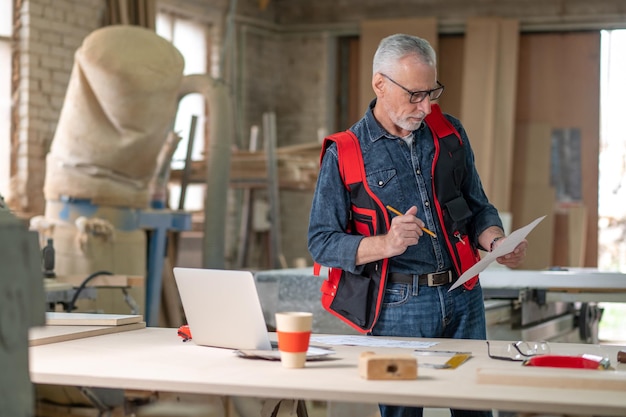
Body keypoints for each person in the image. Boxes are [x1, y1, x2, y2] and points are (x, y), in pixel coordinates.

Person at [307, 33, 528, 417]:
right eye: (415, 95)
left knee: (475, 407)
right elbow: (321, 242)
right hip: (398, 307)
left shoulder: (450, 133)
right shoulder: (345, 152)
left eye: (432, 93)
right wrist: (385, 244)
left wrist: (494, 240)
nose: (426, 107)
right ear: (380, 83)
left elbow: (478, 205)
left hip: (464, 296)